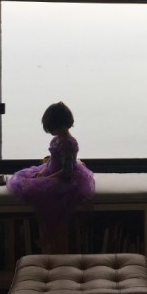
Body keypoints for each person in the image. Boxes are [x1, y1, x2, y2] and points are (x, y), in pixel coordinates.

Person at [6, 102, 95, 247]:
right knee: (26, 180)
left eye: (52, 127)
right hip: (52, 171)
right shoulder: (56, 139)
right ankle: (48, 234)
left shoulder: (69, 143)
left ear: (60, 124)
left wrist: (47, 178)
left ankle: (51, 234)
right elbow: (51, 161)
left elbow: (66, 171)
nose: (51, 131)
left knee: (46, 198)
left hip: (64, 178)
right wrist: (42, 172)